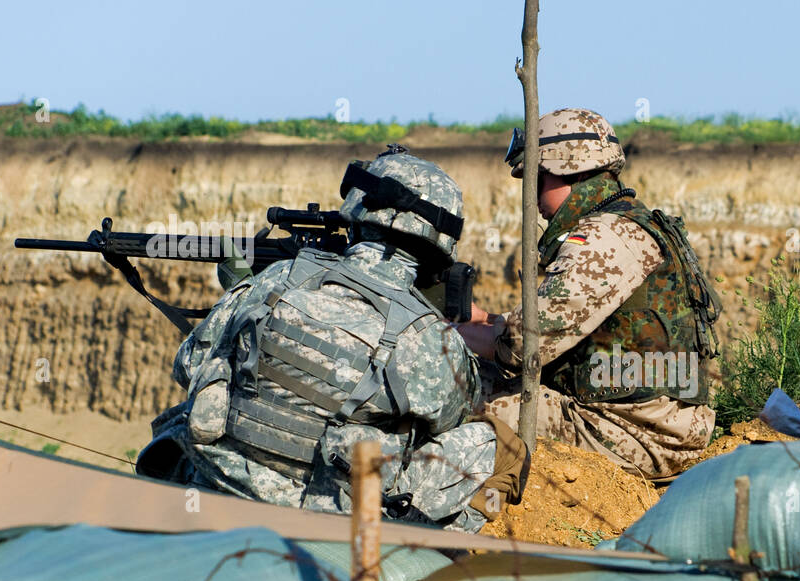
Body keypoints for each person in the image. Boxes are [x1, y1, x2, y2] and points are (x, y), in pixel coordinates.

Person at [138, 146, 527, 532]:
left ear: (357, 210)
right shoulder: (429, 336)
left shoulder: (279, 278)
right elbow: (452, 419)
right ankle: (435, 552)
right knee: (496, 444)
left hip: (219, 484)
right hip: (327, 520)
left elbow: (190, 363)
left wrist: (242, 293)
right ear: (440, 241)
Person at [455, 108, 721, 481]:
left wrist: (442, 333)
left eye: (538, 179)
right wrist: (486, 321)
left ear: (573, 171)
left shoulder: (602, 240)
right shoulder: (630, 224)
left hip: (635, 434)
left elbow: (522, 347)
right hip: (660, 421)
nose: (532, 197)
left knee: (451, 388)